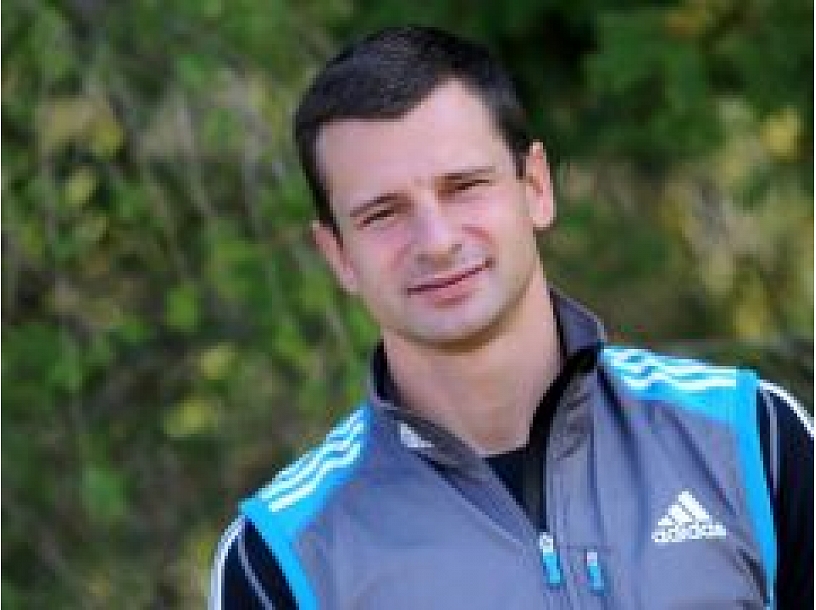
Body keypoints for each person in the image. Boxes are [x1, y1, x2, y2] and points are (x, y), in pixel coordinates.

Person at [210, 26, 813, 609]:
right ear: (339, 254)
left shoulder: (747, 438)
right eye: (383, 213)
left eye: (464, 186)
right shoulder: (283, 558)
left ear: (536, 188)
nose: (437, 242)